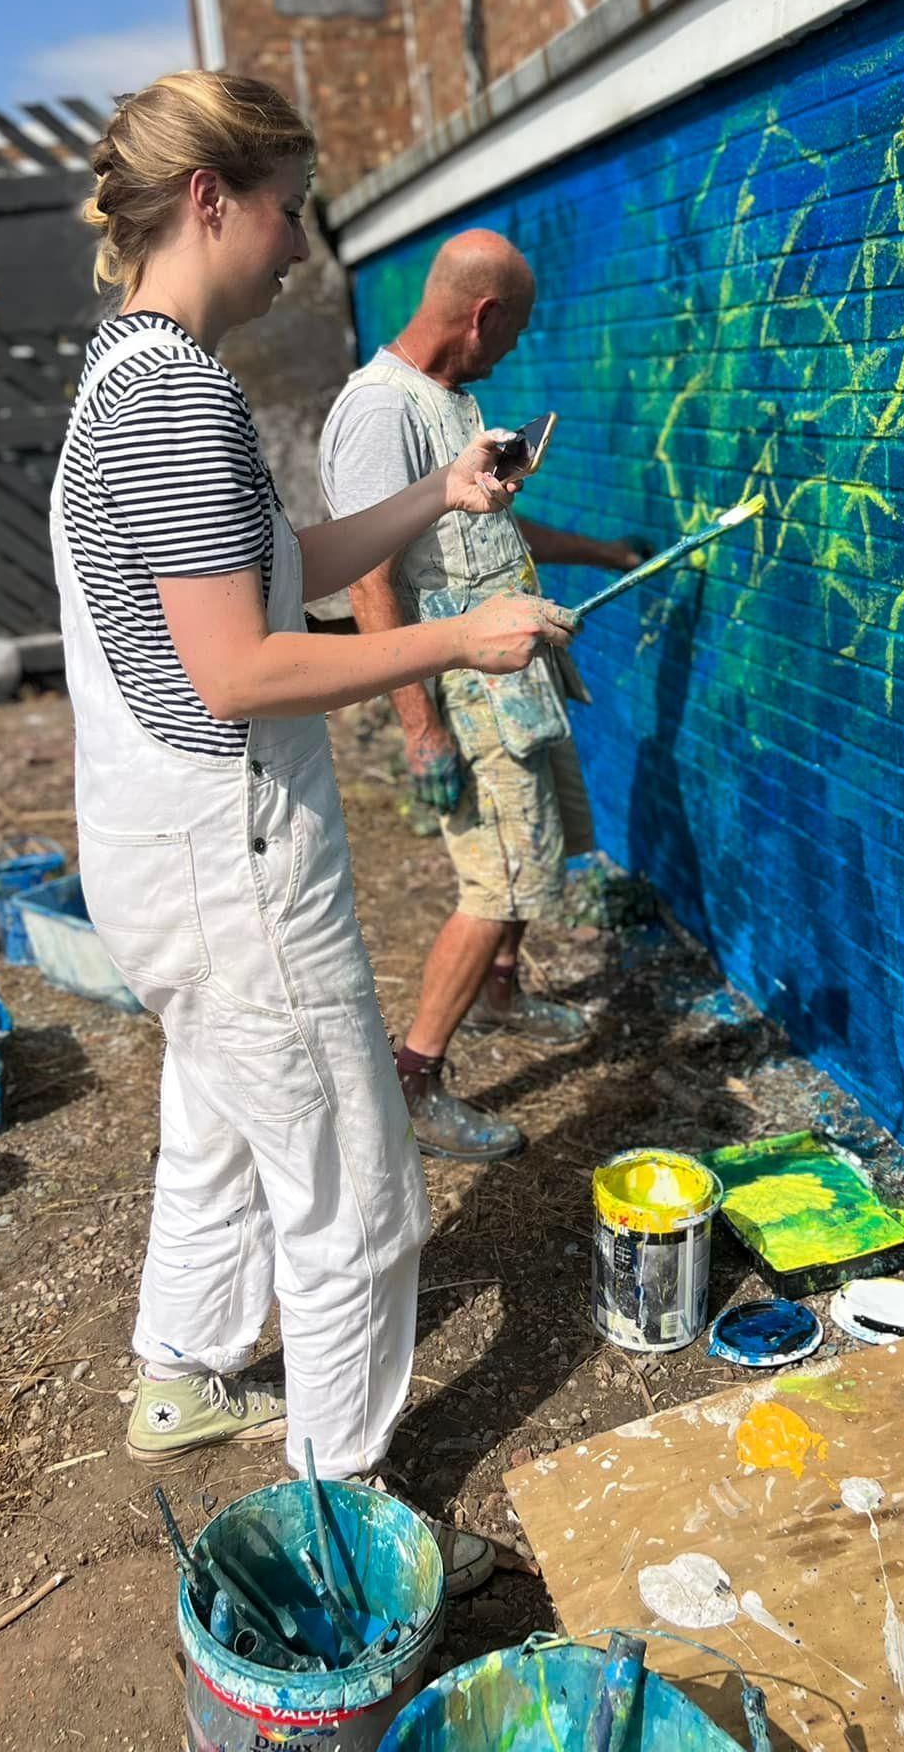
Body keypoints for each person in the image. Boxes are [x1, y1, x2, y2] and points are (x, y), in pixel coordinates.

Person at [51, 73, 574, 1588]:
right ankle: (346, 1511)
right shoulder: (173, 395)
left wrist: (441, 494)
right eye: (288, 208)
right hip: (235, 866)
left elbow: (275, 572)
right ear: (211, 197)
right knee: (354, 1192)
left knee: (216, 1125)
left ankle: (184, 1369)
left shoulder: (125, 376)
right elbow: (243, 668)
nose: (302, 251)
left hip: (165, 863)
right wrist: (458, 641)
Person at [319, 232, 647, 1163]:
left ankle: (501, 989)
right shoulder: (382, 414)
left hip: (514, 683)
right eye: (514, 332)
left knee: (535, 846)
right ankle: (415, 1076)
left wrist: (601, 553)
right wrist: (420, 728)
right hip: (464, 695)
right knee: (494, 877)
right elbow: (371, 578)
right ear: (482, 315)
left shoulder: (454, 402)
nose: (513, 352)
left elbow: (495, 526)